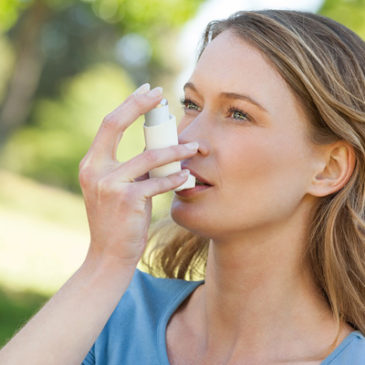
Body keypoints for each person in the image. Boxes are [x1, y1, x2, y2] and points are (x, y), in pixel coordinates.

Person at [0, 9, 364, 365]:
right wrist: (105, 263)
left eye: (238, 114)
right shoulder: (110, 311)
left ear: (328, 169)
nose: (186, 138)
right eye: (191, 104)